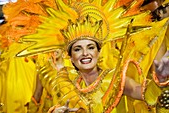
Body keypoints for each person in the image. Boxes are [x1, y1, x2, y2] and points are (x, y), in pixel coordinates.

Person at [13, 0, 169, 113]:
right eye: (78, 49)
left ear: (98, 52)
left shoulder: (114, 79)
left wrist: (160, 81)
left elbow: (145, 94)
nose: (85, 53)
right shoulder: (67, 83)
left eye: (90, 47)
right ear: (71, 56)